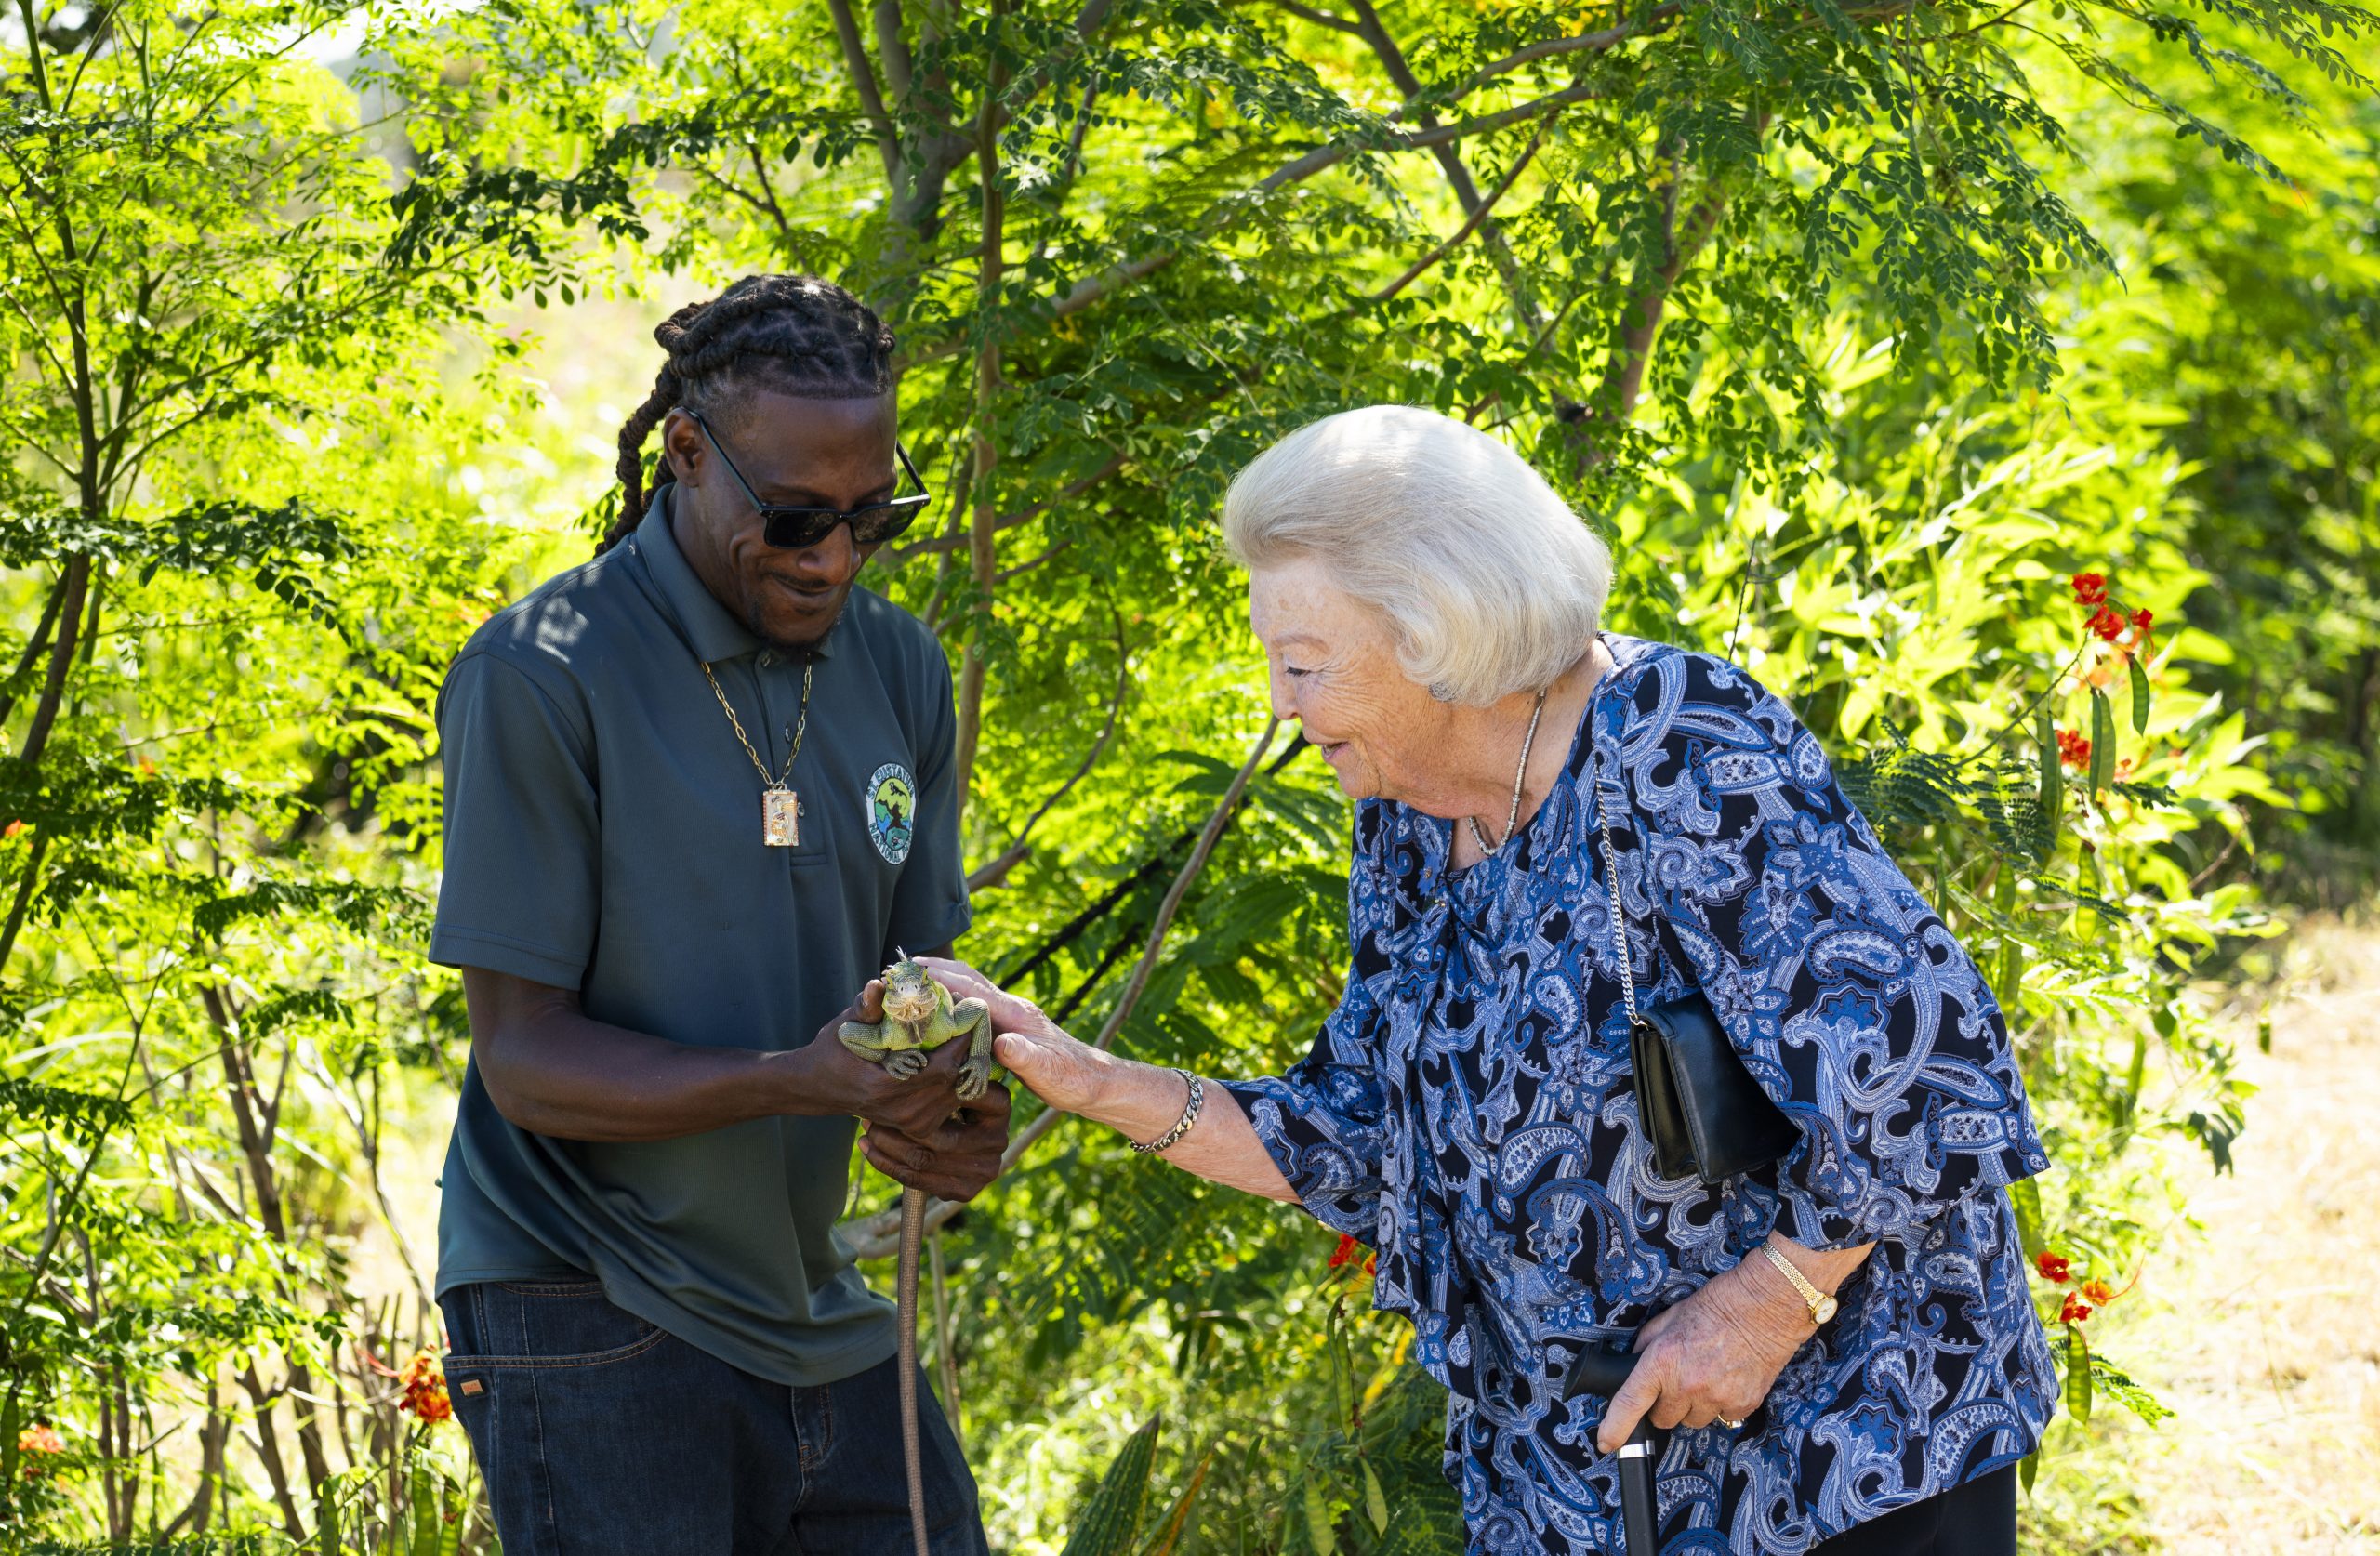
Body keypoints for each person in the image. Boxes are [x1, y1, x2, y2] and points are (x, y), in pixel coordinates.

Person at [928, 405, 2058, 1555]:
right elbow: (1358, 1135)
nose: (1279, 702)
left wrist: (1769, 1306)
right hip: (1572, 1482)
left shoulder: (1676, 746)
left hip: (1841, 1452)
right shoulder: (1406, 820)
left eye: (1304, 663)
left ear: (1435, 632)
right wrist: (1091, 1079)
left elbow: (1932, 1069)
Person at [428, 274, 1009, 1556]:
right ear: (687, 453)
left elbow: (924, 985)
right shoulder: (541, 668)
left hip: (821, 1303)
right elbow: (524, 1058)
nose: (836, 557)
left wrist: (955, 1108)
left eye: (875, 516)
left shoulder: (901, 667)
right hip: (584, 1299)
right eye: (797, 518)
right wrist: (798, 1082)